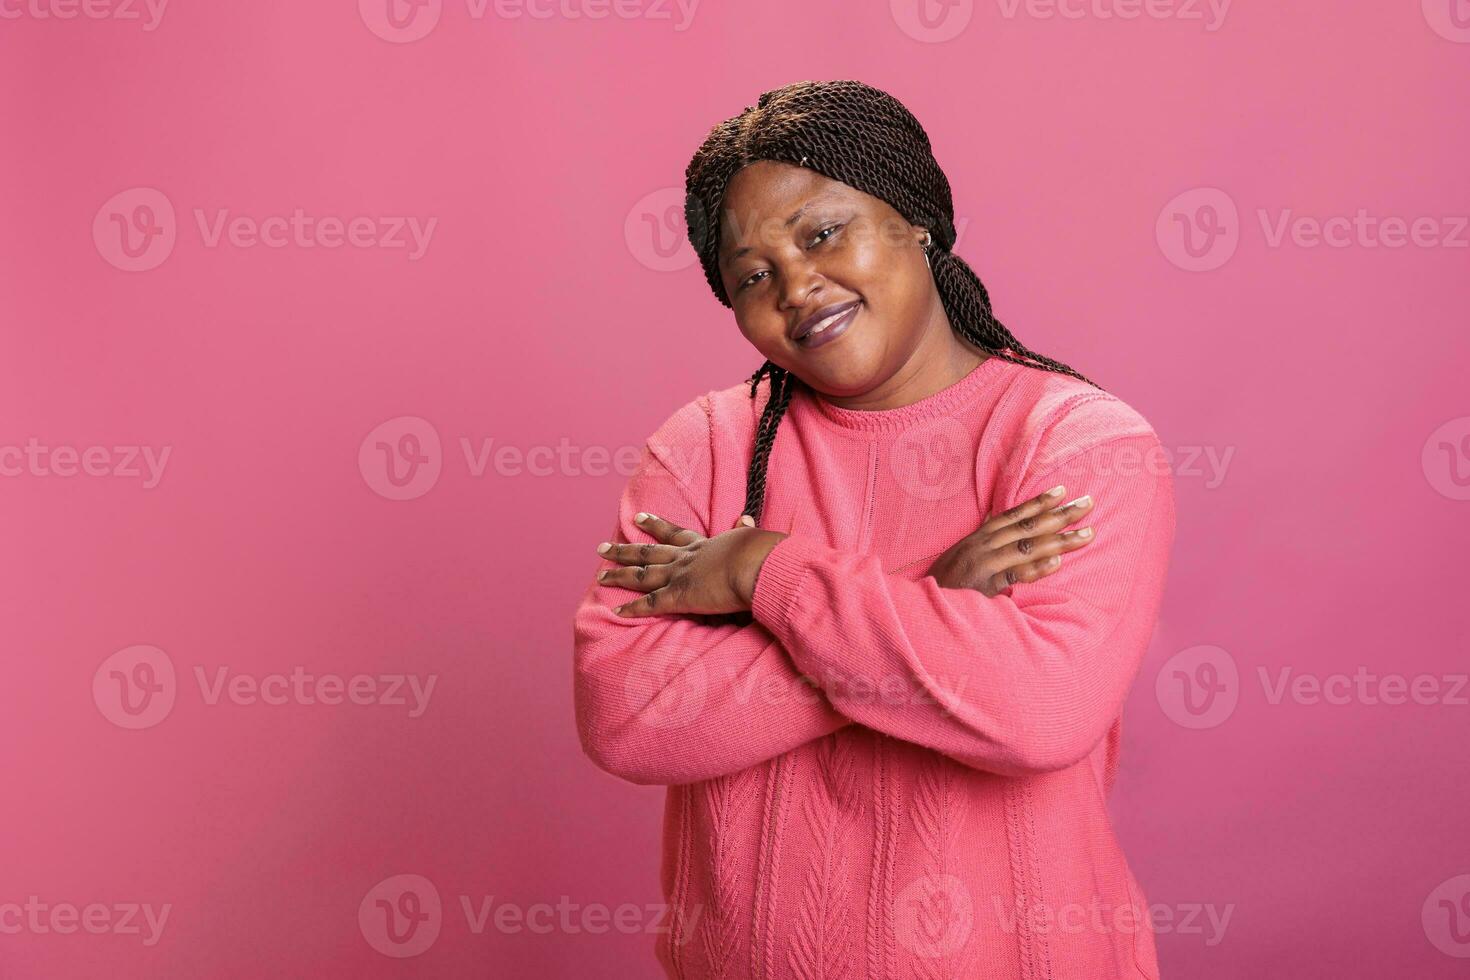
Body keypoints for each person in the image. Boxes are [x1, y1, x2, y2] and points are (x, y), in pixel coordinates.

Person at [572, 79, 1176, 980]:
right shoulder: (705, 447)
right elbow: (630, 718)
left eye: (821, 233)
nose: (797, 285)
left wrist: (761, 574)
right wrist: (930, 593)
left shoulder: (1083, 442)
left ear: (916, 219)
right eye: (752, 275)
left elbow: (1038, 713)